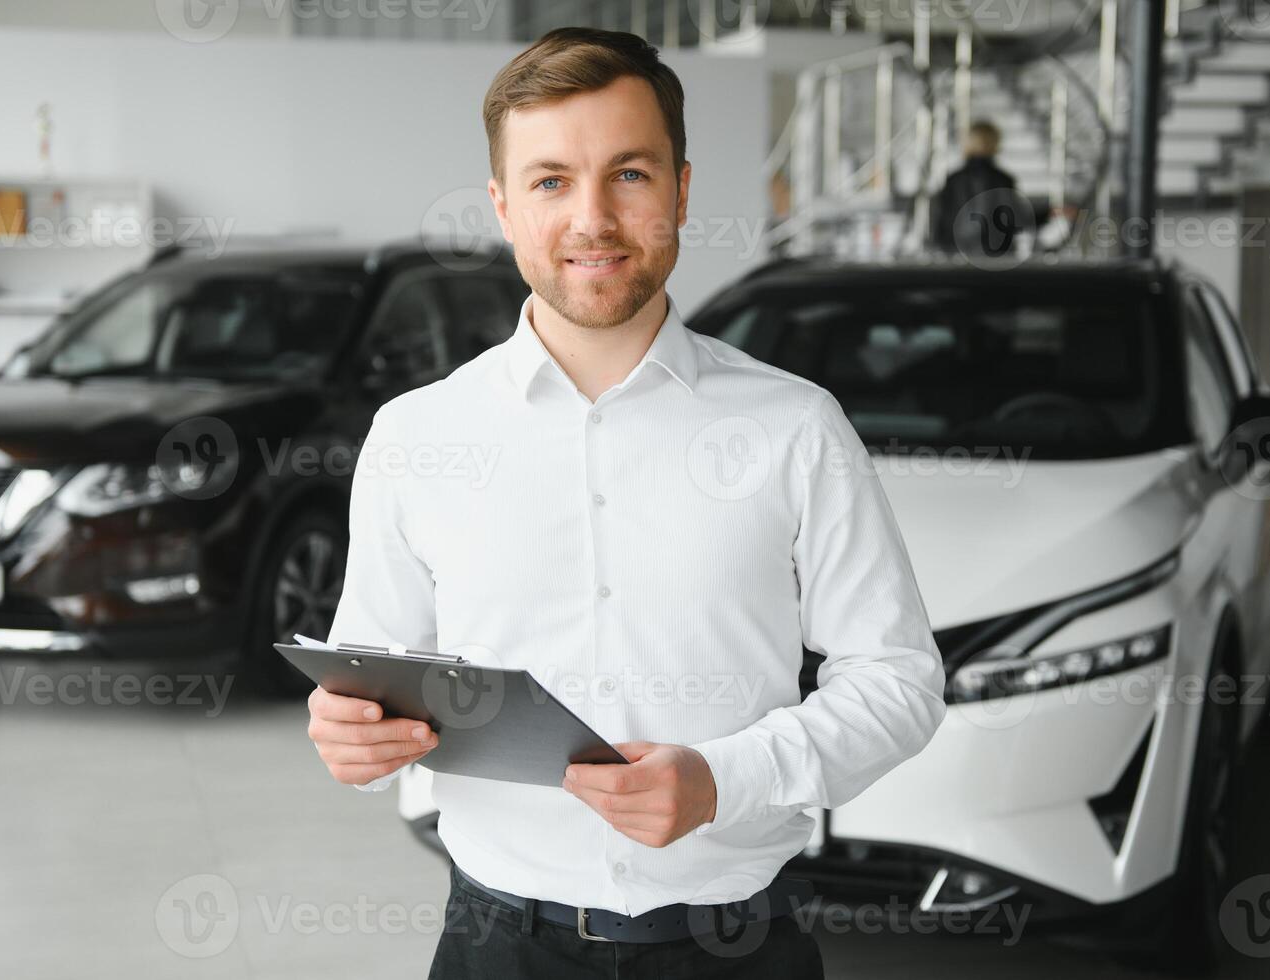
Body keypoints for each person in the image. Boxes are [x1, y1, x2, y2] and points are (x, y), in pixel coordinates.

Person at [306, 27, 946, 979]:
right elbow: (373, 675)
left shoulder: (796, 427)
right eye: (551, 180)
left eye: (630, 174)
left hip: (735, 947)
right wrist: (349, 733)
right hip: (495, 946)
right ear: (503, 207)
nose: (591, 219)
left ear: (682, 189)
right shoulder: (414, 435)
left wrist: (726, 779)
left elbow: (898, 679)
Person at [930, 120, 1033, 257]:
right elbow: (1015, 219)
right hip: (996, 255)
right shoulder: (1003, 180)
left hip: (957, 254)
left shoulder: (953, 180)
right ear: (994, 144)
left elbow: (942, 220)